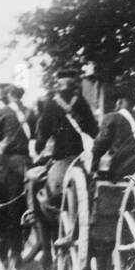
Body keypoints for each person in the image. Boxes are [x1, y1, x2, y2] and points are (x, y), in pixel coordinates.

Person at [27, 67, 99, 223]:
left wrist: (40, 148)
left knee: (33, 180)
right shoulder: (81, 103)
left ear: (58, 85)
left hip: (60, 159)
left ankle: (32, 213)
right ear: (74, 85)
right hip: (80, 160)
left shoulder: (50, 105)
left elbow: (42, 135)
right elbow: (94, 130)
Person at [91, 79, 135, 183]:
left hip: (119, 171)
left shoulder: (111, 118)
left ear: (119, 102)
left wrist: (93, 168)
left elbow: (99, 146)